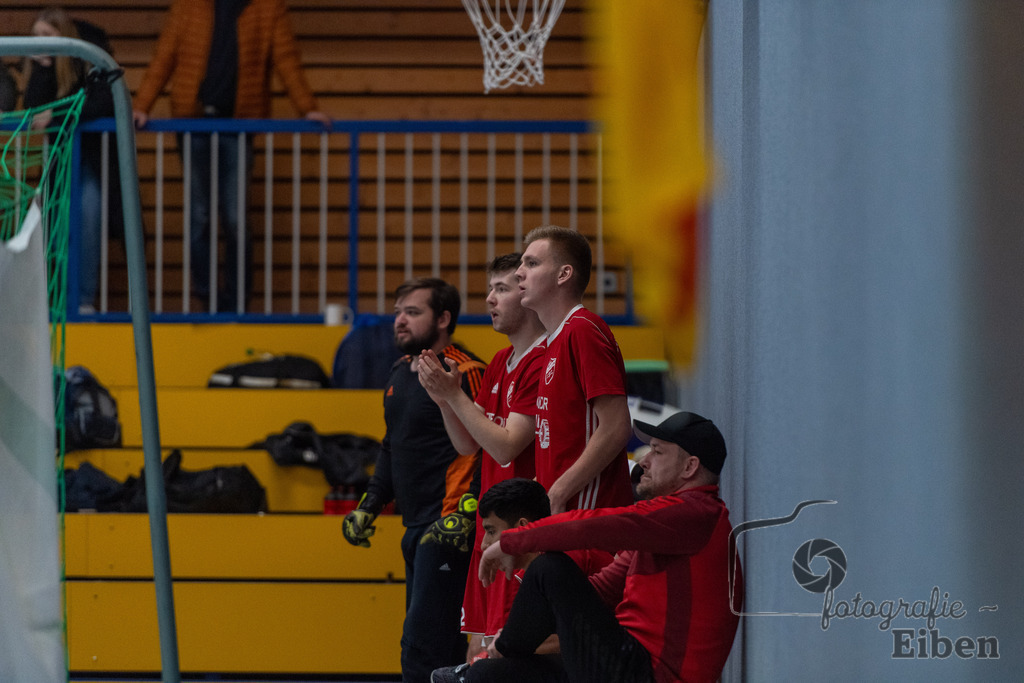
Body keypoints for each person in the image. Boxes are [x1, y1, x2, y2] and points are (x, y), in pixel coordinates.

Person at [466, 412, 743, 683]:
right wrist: (527, 622)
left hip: (647, 672)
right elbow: (600, 591)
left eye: (657, 452)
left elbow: (593, 526)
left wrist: (510, 541)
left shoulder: (695, 515)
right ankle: (494, 660)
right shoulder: (666, 528)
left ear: (689, 467)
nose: (644, 461)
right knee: (487, 676)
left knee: (548, 569)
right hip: (623, 660)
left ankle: (502, 652)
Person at [132, 0, 331, 313]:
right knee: (199, 216)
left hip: (238, 126)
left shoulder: (267, 8)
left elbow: (286, 59)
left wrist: (307, 108)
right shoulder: (189, 6)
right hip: (194, 124)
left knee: (236, 219)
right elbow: (165, 56)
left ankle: (237, 303)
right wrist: (141, 105)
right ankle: (208, 299)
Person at [341, 277, 487, 683]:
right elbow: (392, 446)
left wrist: (469, 510)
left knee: (424, 647)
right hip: (414, 526)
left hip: (449, 527)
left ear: (443, 319)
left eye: (413, 312)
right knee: (434, 647)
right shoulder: (400, 373)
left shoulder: (467, 371)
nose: (400, 321)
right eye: (398, 312)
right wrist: (370, 504)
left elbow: (487, 447)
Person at [416, 253, 548, 662]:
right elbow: (469, 445)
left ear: (527, 294)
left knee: (508, 652)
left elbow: (508, 445)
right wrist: (443, 400)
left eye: (501, 289)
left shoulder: (541, 361)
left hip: (521, 525)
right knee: (481, 648)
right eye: (489, 289)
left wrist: (455, 395)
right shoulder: (499, 363)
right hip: (490, 522)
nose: (490, 299)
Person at [430, 478, 614, 683]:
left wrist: (509, 645)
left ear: (522, 526)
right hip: (581, 664)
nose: (484, 544)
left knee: (487, 673)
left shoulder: (566, 558)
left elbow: (583, 636)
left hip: (608, 665)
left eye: (491, 532)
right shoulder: (535, 566)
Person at [515, 225, 634, 514]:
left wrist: (559, 490)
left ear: (563, 274)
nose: (519, 272)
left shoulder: (582, 330)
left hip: (587, 516)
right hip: (564, 512)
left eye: (531, 263)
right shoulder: (554, 339)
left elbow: (616, 426)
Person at [23, 7, 124, 314]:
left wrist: (57, 115)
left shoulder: (86, 64)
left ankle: (82, 301)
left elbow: (102, 103)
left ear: (63, 37)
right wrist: (42, 68)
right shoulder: (39, 68)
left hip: (91, 160)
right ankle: (55, 302)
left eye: (47, 36)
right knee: (54, 225)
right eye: (36, 36)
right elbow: (32, 111)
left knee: (88, 216)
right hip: (57, 163)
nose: (40, 42)